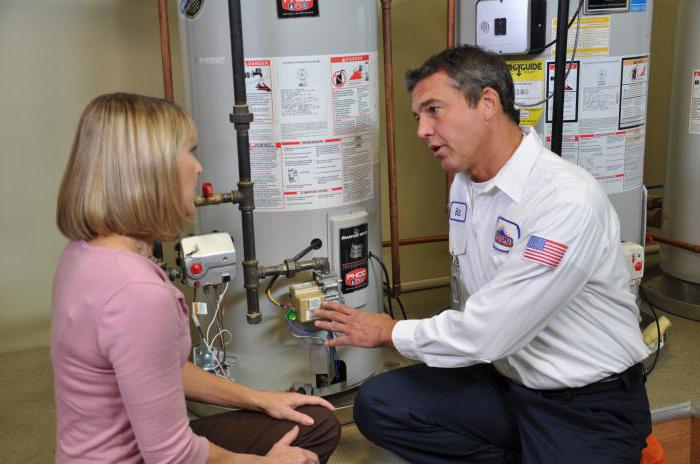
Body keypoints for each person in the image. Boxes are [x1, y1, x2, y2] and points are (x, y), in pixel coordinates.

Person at [314, 45, 651, 463]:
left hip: (586, 405)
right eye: (418, 116)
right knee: (381, 403)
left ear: (487, 102)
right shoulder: (466, 185)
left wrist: (389, 331)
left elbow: (490, 331)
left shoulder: (565, 200)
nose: (422, 129)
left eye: (434, 110)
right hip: (506, 382)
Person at [52, 93, 340, 464]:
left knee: (313, 423)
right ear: (151, 169)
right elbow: (172, 457)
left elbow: (161, 371)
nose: (198, 167)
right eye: (189, 151)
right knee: (301, 450)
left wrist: (261, 399)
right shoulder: (136, 294)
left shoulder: (84, 253)